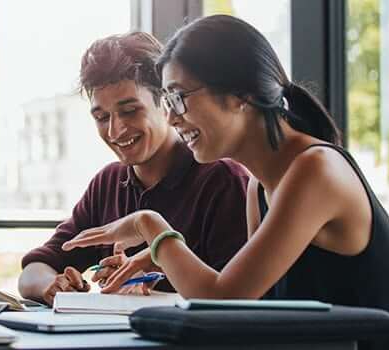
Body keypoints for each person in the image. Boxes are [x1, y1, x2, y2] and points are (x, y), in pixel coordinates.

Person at [62, 15, 389, 350]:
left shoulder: (315, 170)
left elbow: (221, 302)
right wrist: (161, 259)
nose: (171, 118)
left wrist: (150, 226)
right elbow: (245, 308)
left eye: (178, 98)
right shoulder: (259, 187)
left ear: (240, 95)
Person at [17, 32, 250, 306]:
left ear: (166, 103)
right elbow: (34, 270)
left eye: (129, 111)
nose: (115, 131)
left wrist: (152, 283)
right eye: (102, 117)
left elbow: (235, 299)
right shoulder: (108, 183)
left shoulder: (223, 180)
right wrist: (52, 286)